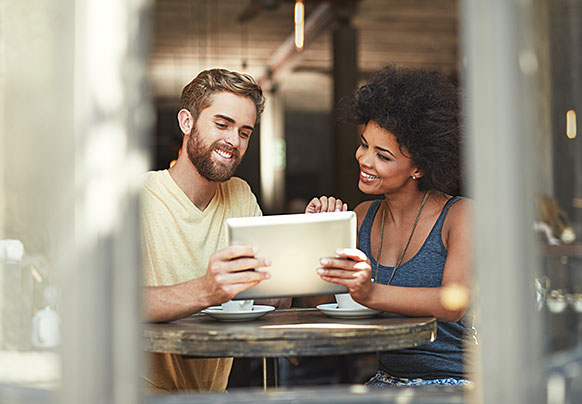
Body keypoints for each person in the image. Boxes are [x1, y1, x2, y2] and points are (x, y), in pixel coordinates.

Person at [306, 65, 475, 387]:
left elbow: (453, 303)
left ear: (419, 168)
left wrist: (370, 292)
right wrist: (320, 233)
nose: (364, 159)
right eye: (364, 144)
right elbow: (321, 303)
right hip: (388, 381)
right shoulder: (363, 216)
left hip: (455, 383)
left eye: (383, 155)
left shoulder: (460, 215)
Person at [141, 68, 284, 393]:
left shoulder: (240, 195)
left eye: (245, 132)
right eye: (222, 124)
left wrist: (300, 250)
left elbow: (269, 295)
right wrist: (207, 290)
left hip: (211, 396)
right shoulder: (138, 196)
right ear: (186, 122)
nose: (233, 141)